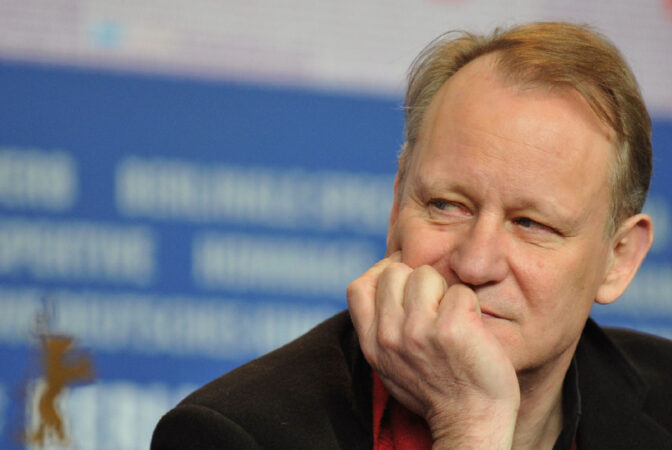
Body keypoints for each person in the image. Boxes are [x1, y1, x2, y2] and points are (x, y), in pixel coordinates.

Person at [151, 22, 672, 449]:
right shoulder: (233, 436)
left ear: (619, 258)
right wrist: (472, 428)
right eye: (446, 205)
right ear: (399, 201)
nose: (475, 263)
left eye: (530, 224)